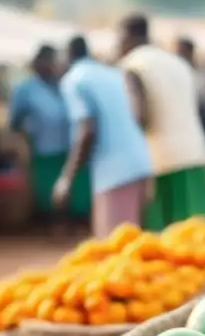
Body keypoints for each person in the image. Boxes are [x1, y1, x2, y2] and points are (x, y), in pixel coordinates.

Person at [116, 16, 205, 231]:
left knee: (170, 240)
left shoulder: (132, 66)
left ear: (126, 37)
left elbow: (138, 115)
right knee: (202, 234)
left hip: (162, 161)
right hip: (195, 153)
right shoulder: (176, 61)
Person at [55, 35, 153, 238]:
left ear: (67, 57)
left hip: (115, 172)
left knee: (115, 246)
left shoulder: (74, 80)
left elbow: (87, 130)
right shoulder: (111, 73)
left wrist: (67, 178)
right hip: (141, 163)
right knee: (134, 242)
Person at [8, 44, 90, 225]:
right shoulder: (25, 90)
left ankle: (74, 224)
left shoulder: (68, 84)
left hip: (72, 149)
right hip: (45, 150)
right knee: (50, 196)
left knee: (75, 195)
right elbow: (14, 123)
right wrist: (24, 144)